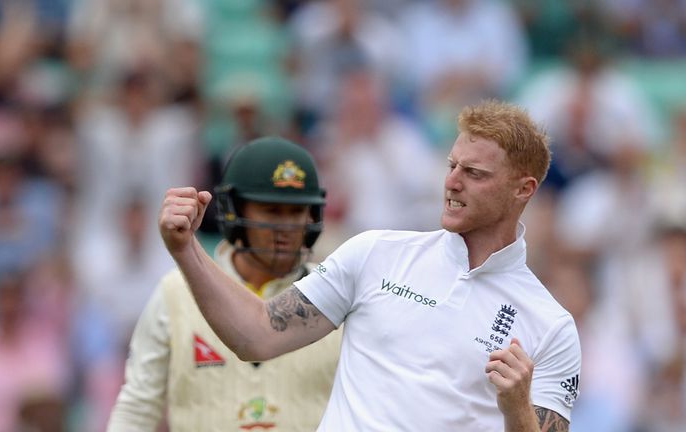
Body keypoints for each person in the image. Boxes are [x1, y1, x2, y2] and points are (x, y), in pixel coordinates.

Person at [158, 100, 582, 431]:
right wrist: (185, 249)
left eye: (474, 172)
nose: (452, 181)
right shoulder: (375, 253)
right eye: (452, 165)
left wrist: (516, 409)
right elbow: (257, 335)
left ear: (523, 189)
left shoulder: (550, 325)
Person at [107, 137, 342, 431]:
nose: (286, 228)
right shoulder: (176, 293)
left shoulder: (337, 295)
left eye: (295, 212)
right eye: (271, 211)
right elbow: (137, 409)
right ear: (235, 212)